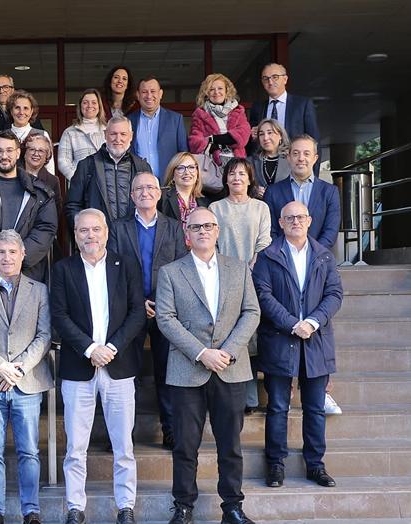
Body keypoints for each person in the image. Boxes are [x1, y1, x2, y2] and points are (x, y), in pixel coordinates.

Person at [155, 206, 260, 524]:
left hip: (231, 368)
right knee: (185, 445)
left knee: (231, 444)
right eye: (195, 227)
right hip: (188, 370)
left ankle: (232, 507)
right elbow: (165, 318)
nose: (202, 231)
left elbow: (251, 312)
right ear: (187, 235)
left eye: (208, 226)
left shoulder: (239, 269)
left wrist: (226, 351)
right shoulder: (171, 272)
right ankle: (184, 507)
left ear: (217, 231)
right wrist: (202, 353)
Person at [51, 209, 146, 524]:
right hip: (79, 368)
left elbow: (136, 312)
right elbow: (60, 316)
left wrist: (112, 347)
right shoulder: (63, 269)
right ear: (75, 235)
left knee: (124, 446)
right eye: (83, 231)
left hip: (119, 366)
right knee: (76, 447)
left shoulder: (126, 265)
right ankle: (75, 508)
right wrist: (91, 348)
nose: (90, 236)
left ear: (106, 232)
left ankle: (125, 507)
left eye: (95, 229)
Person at [252, 201, 343, 489]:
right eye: (289, 217)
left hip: (316, 340)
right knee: (278, 407)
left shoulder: (324, 256)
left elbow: (335, 294)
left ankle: (315, 465)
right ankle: (275, 465)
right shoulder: (268, 256)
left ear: (310, 220)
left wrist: (313, 322)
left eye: (300, 217)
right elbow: (262, 295)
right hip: (281, 338)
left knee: (315, 408)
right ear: (280, 222)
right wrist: (292, 323)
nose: (295, 221)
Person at [0, 229, 53, 524]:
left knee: (29, 450)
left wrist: (18, 369)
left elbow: (44, 336)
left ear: (22, 255)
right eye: (1, 252)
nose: (7, 257)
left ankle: (31, 510)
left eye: (12, 252)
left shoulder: (39, 290)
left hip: (27, 383)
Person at [108, 172, 187, 450]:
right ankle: (122, 434)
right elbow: (113, 268)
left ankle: (170, 431)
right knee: (127, 374)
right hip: (130, 309)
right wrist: (138, 302)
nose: (144, 192)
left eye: (150, 187)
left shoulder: (174, 228)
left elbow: (181, 268)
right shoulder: (118, 228)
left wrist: (158, 302)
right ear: (131, 196)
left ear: (159, 193)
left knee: (168, 373)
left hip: (165, 310)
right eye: (139, 188)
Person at [210, 159, 271, 413]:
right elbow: (212, 243)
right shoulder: (216, 207)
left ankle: (251, 397)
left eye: (242, 174)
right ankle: (234, 398)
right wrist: (232, 272)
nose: (237, 178)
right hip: (224, 277)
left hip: (255, 276)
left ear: (250, 179)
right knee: (229, 333)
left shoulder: (260, 208)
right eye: (232, 173)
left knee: (252, 334)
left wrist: (249, 270)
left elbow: (264, 241)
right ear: (225, 179)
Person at [0, 130, 58, 282]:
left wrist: (16, 259)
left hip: (27, 275)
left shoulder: (39, 192)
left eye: (9, 150)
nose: (4, 156)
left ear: (18, 153)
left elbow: (46, 228)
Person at [64, 116, 151, 230]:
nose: (118, 139)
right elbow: (72, 205)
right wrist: (84, 230)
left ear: (131, 136)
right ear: (105, 135)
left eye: (123, 134)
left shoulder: (142, 167)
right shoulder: (86, 166)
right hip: (98, 240)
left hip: (134, 238)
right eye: (113, 134)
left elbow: (151, 204)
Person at [263, 135, 340, 249]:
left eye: (306, 154)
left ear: (315, 158)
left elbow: (331, 231)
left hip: (317, 260)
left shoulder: (329, 192)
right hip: (282, 260)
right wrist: (284, 253)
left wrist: (312, 254)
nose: (301, 158)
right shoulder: (273, 192)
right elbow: (270, 230)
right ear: (288, 157)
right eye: (295, 153)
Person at [248, 63, 319, 156]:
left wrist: (313, 170)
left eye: (275, 77)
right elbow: (251, 142)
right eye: (266, 78)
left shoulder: (302, 105)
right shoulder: (257, 107)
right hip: (266, 163)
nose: (270, 82)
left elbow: (314, 140)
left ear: (285, 79)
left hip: (294, 163)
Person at [127, 76, 188, 180]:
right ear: (138, 95)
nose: (149, 95)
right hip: (140, 185)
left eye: (153, 91)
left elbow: (184, 154)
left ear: (160, 94)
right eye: (144, 92)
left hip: (169, 184)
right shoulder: (129, 121)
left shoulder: (175, 119)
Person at [188, 74, 251, 170]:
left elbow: (243, 136)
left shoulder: (238, 111)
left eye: (220, 88)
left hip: (237, 162)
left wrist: (213, 139)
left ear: (227, 91)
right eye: (211, 89)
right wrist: (224, 139)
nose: (216, 92)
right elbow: (194, 142)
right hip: (211, 164)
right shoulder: (199, 114)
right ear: (206, 93)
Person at [0, 90, 55, 175]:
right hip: (6, 185)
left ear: (31, 112)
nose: (21, 112)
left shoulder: (43, 135)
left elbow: (49, 167)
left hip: (36, 186)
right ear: (11, 111)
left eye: (25, 108)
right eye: (17, 108)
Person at [57, 88, 107, 182]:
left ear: (99, 106)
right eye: (85, 102)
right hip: (80, 187)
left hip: (105, 185)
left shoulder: (108, 130)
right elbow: (63, 162)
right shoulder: (69, 132)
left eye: (94, 102)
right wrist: (78, 180)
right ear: (80, 106)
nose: (89, 106)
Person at [158, 152, 210, 227]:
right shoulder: (161, 197)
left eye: (191, 167)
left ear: (197, 173)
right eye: (180, 168)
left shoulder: (205, 202)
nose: (187, 172)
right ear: (172, 174)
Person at [22, 132, 63, 213]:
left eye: (41, 151)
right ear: (24, 153)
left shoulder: (53, 181)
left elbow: (56, 212)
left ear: (47, 156)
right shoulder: (13, 175)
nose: (36, 154)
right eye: (32, 149)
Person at [249, 119, 291, 197]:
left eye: (270, 133)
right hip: (259, 206)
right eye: (261, 134)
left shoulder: (291, 160)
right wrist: (253, 190)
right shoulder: (250, 161)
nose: (265, 138)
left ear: (280, 136)